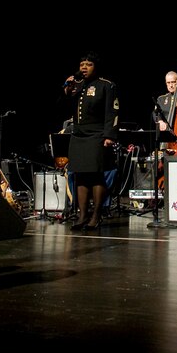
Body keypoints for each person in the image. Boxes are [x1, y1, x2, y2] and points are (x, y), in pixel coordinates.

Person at [63, 51, 119, 231]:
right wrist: (66, 90)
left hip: (97, 135)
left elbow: (113, 112)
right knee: (80, 175)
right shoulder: (76, 86)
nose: (84, 68)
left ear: (96, 68)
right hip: (78, 135)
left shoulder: (106, 85)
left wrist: (109, 135)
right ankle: (82, 215)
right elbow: (60, 106)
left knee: (96, 175)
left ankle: (96, 215)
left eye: (89, 65)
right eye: (82, 65)